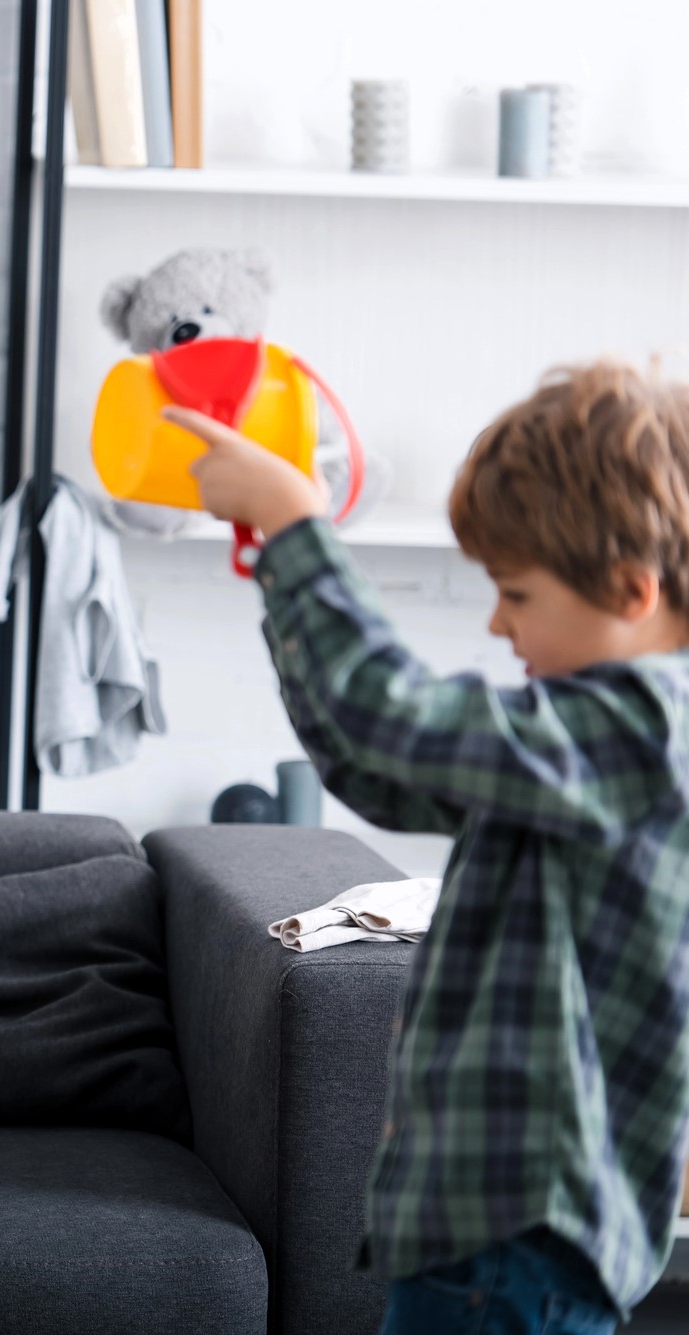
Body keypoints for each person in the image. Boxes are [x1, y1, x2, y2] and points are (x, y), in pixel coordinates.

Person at [167, 360, 689, 1334]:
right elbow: (376, 768)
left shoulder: (638, 731)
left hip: (522, 1232)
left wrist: (294, 530)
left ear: (628, 589)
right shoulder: (579, 749)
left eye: (515, 593)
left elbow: (385, 717)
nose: (495, 622)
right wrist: (284, 588)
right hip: (489, 1231)